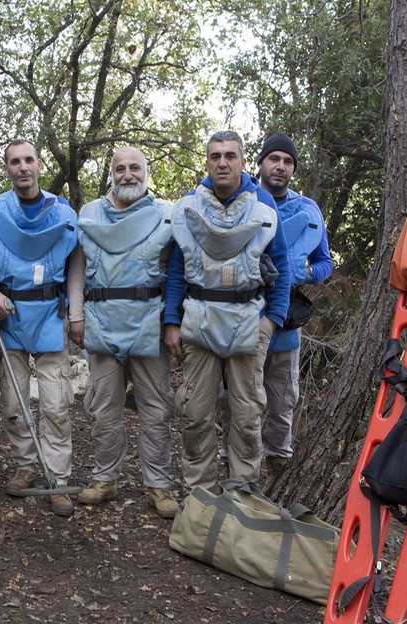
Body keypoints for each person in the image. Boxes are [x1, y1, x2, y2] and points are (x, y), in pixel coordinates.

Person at [164, 130, 290, 488]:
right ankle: (200, 494)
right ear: (207, 162)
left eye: (230, 156)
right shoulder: (188, 207)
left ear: (242, 161)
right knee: (194, 413)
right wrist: (172, 321)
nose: (222, 162)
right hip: (199, 318)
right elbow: (178, 267)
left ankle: (243, 492)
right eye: (215, 156)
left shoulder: (263, 206)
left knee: (248, 416)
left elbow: (282, 267)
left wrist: (272, 321)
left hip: (249, 321)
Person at [67, 147, 179, 519]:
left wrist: (173, 323)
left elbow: (179, 273)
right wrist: (77, 315)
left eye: (135, 168)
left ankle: (159, 486)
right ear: (111, 173)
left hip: (150, 324)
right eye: (120, 168)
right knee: (103, 408)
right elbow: (78, 268)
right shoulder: (90, 214)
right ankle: (104, 478)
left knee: (156, 409)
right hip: (101, 322)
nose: (128, 174)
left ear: (146, 172)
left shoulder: (167, 215)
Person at [220, 134, 333, 483]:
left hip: (286, 326)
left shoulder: (307, 209)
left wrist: (306, 273)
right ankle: (232, 462)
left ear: (293, 169)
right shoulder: (244, 200)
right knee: (233, 397)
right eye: (274, 159)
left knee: (282, 398)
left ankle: (278, 462)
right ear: (261, 163)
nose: (280, 166)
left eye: (287, 161)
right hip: (240, 319)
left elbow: (325, 262)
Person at [0, 139, 78, 517]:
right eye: (15, 162)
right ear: (6, 169)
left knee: (56, 403)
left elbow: (74, 265)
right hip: (10, 318)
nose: (23, 167)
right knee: (13, 400)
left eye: (28, 160)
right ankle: (25, 464)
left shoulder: (63, 212)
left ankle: (58, 477)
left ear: (39, 164)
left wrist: (74, 308)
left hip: (50, 316)